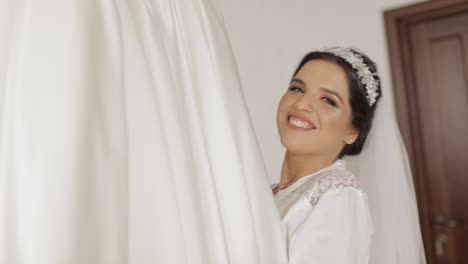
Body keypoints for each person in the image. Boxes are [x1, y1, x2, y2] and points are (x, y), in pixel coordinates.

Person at [272, 47, 382, 264]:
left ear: (352, 130)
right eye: (297, 89)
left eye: (328, 100)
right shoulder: (270, 193)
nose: (302, 104)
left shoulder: (338, 195)